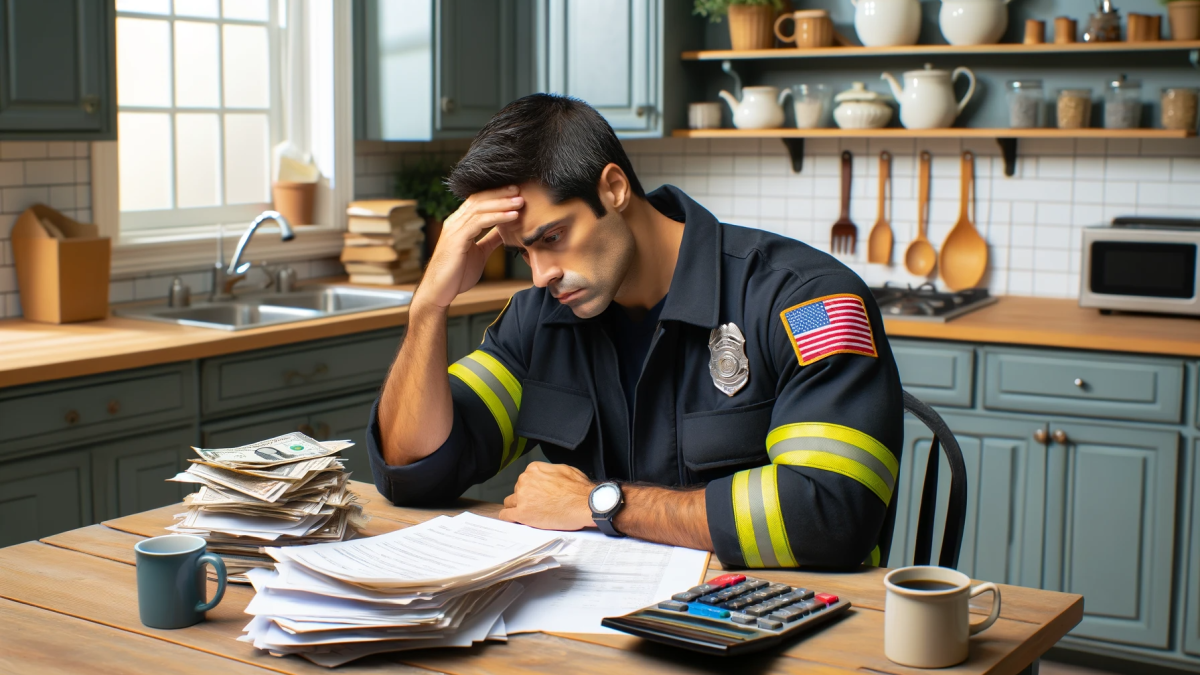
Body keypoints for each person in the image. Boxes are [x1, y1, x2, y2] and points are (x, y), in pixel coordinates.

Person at [367, 94, 903, 569]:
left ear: (615, 188)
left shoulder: (806, 302)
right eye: (522, 251)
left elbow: (832, 513)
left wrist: (603, 503)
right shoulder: (539, 319)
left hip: (776, 624)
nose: (541, 273)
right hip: (603, 627)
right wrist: (429, 307)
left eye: (552, 236)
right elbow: (414, 471)